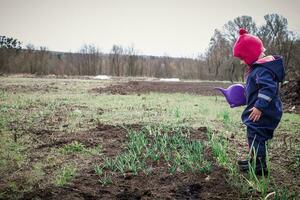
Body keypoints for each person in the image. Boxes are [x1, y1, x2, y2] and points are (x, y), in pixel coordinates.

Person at [233, 28, 285, 175]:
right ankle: (254, 160)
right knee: (254, 134)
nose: (242, 62)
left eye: (242, 58)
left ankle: (259, 166)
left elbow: (268, 89)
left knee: (257, 135)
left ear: (250, 54)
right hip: (261, 109)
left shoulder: (262, 70)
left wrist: (259, 106)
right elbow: (257, 89)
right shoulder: (258, 68)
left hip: (265, 110)